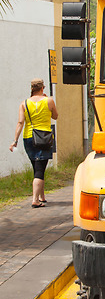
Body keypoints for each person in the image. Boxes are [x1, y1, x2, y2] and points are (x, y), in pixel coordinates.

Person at [9, 78, 58, 208]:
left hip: (29, 138)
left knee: (36, 167)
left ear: (32, 89)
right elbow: (55, 116)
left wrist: (15, 141)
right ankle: (35, 199)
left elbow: (20, 123)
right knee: (40, 169)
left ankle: (42, 196)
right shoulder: (49, 101)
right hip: (44, 137)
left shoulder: (24, 103)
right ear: (42, 88)